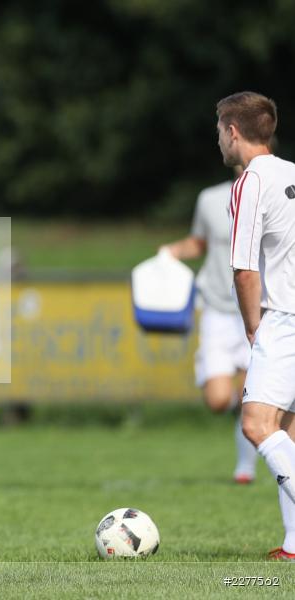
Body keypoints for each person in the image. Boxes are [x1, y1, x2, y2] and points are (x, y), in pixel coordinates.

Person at [221, 91, 295, 561]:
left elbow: (245, 268)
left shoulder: (250, 182)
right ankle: (293, 545)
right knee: (287, 430)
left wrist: (253, 326)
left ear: (233, 132)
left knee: (255, 425)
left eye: (219, 132)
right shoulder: (293, 172)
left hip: (284, 318)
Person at [159, 166, 258, 484]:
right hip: (217, 306)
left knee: (250, 396)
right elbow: (198, 243)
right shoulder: (211, 199)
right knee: (218, 399)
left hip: (258, 308)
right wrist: (172, 251)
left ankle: (245, 469)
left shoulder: (278, 195)